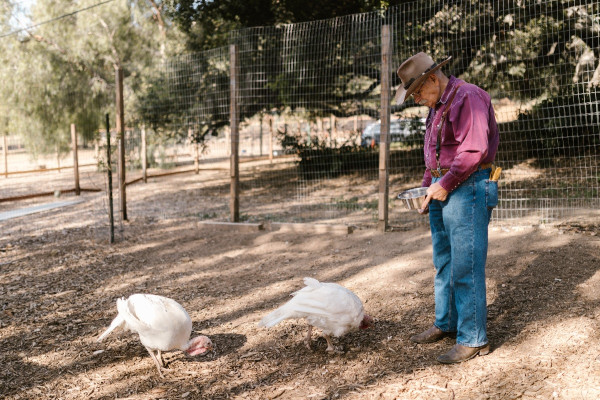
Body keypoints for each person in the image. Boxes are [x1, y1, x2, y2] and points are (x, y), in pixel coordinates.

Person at [394, 52, 500, 364]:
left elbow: (473, 149)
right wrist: (428, 187)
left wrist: (444, 183)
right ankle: (447, 322)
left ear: (431, 79)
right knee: (443, 260)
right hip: (443, 187)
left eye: (417, 93)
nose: (416, 100)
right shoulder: (438, 104)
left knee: (466, 264)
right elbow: (435, 151)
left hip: (467, 186)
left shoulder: (467, 97)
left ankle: (474, 338)